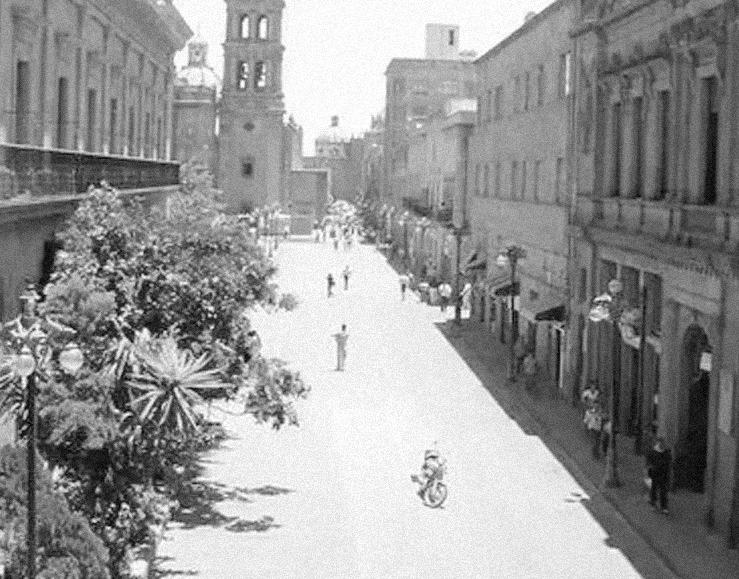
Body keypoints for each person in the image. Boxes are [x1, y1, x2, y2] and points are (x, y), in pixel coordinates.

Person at [646, 436, 672, 514]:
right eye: (661, 443)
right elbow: (649, 462)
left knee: (663, 490)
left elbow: (669, 463)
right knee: (654, 489)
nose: (663, 444)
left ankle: (664, 507)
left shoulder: (667, 452)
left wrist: (668, 473)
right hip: (655, 474)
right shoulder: (653, 452)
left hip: (664, 474)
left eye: (664, 443)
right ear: (659, 443)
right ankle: (653, 504)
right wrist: (648, 472)